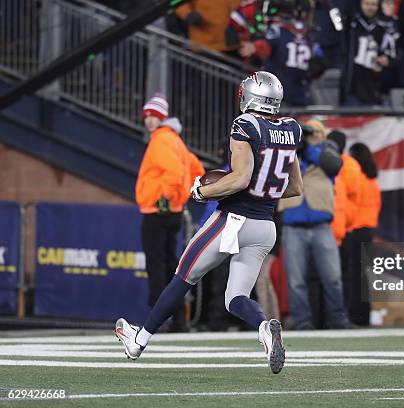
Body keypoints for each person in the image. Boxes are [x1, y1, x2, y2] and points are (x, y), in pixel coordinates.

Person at [116, 71, 303, 375]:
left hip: (233, 219)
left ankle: (139, 340)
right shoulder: (292, 130)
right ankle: (264, 328)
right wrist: (262, 187)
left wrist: (202, 192)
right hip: (265, 226)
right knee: (236, 298)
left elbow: (240, 179)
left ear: (252, 95)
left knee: (183, 276)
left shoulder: (245, 124)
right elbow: (295, 188)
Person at [135, 93, 204, 333]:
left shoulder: (161, 140)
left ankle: (159, 318)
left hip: (158, 211)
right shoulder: (175, 139)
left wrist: (165, 198)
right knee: (171, 267)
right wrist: (181, 197)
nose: (149, 120)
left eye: (154, 116)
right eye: (147, 116)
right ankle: (178, 320)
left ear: (162, 118)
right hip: (173, 212)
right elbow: (196, 168)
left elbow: (174, 173)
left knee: (157, 266)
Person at [278, 120, 353, 330]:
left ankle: (337, 318)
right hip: (293, 225)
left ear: (322, 135)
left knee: (333, 277)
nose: (311, 135)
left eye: (315, 132)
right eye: (307, 132)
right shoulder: (288, 152)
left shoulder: (327, 150)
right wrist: (296, 145)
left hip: (321, 225)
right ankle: (302, 321)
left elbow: (333, 166)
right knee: (295, 279)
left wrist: (309, 146)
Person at [343, 142, 381, 326]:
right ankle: (363, 315)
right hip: (369, 229)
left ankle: (354, 315)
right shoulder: (373, 181)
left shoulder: (357, 179)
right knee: (362, 275)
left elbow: (350, 205)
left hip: (355, 229)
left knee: (352, 275)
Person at [339, 0, 395, 105]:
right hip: (352, 88)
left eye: (373, 4)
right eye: (366, 3)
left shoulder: (382, 28)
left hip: (373, 88)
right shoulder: (351, 24)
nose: (370, 7)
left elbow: (389, 55)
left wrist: (385, 60)